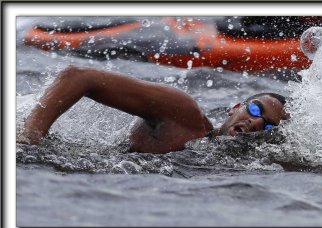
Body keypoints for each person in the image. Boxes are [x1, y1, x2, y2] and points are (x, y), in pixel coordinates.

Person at [18, 65, 289, 154]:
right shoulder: (184, 115)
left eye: (266, 125)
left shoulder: (244, 164)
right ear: (235, 108)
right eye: (255, 110)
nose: (255, 123)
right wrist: (30, 136)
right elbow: (77, 76)